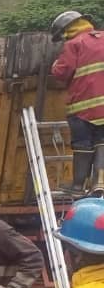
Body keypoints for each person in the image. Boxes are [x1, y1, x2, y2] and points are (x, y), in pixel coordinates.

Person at [50, 11, 104, 195]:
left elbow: (62, 72)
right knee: (102, 143)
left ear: (67, 29)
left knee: (82, 144)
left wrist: (55, 65)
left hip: (83, 107)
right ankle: (99, 183)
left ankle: (78, 186)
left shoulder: (74, 44)